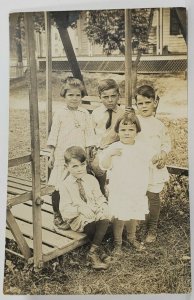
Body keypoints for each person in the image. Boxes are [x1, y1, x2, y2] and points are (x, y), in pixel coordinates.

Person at [99, 110, 157, 256]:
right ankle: (117, 243)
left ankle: (132, 237)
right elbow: (103, 166)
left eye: (131, 129)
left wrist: (158, 158)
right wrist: (110, 154)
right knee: (120, 215)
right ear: (117, 131)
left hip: (136, 188)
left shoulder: (142, 147)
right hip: (119, 189)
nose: (127, 133)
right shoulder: (114, 148)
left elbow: (153, 159)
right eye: (123, 130)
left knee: (133, 213)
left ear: (137, 131)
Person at [47, 77, 96, 228]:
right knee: (58, 185)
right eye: (70, 95)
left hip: (79, 156)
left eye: (78, 95)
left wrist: (88, 151)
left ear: (81, 96)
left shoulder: (85, 113)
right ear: (64, 96)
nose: (74, 98)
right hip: (62, 156)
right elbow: (53, 134)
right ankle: (57, 214)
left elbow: (89, 134)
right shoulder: (60, 113)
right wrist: (51, 153)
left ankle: (75, 213)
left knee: (76, 184)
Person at [59, 146, 110, 270]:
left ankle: (95, 251)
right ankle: (95, 254)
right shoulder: (65, 185)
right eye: (74, 166)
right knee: (93, 223)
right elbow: (65, 211)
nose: (80, 169)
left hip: (93, 211)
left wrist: (103, 206)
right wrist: (80, 210)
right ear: (67, 167)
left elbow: (99, 197)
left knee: (105, 218)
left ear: (86, 163)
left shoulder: (91, 179)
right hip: (77, 217)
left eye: (82, 165)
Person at [135, 85, 171, 243]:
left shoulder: (159, 125)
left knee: (153, 196)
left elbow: (166, 143)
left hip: (154, 167)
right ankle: (138, 222)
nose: (143, 106)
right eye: (140, 103)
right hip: (138, 166)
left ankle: (152, 227)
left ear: (155, 103)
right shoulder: (134, 122)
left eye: (147, 102)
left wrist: (163, 155)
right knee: (138, 195)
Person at [91, 79, 124, 195]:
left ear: (118, 96)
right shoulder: (96, 113)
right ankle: (101, 196)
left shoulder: (122, 113)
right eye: (105, 97)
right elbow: (91, 133)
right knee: (96, 168)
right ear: (100, 97)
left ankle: (113, 197)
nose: (110, 100)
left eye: (113, 96)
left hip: (115, 149)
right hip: (98, 149)